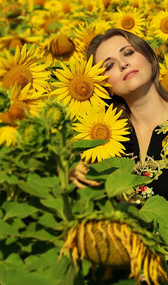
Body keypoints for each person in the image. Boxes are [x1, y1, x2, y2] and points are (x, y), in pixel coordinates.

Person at [70, 28, 168, 202]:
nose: (123, 64)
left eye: (128, 53)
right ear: (104, 87)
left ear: (150, 57)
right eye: (109, 65)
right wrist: (73, 169)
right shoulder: (105, 139)